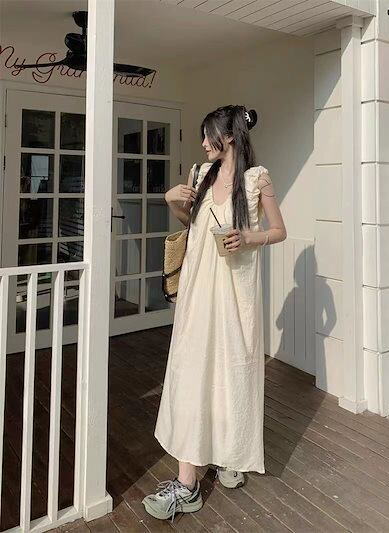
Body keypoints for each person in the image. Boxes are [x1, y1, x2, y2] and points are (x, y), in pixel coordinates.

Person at [142, 105, 287, 521]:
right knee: (192, 373)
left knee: (231, 373)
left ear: (231, 137)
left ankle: (228, 453)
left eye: (209, 136)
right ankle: (187, 484)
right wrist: (171, 200)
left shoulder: (257, 179)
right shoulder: (199, 174)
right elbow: (190, 223)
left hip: (236, 294)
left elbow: (279, 230)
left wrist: (249, 238)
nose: (204, 143)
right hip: (198, 289)